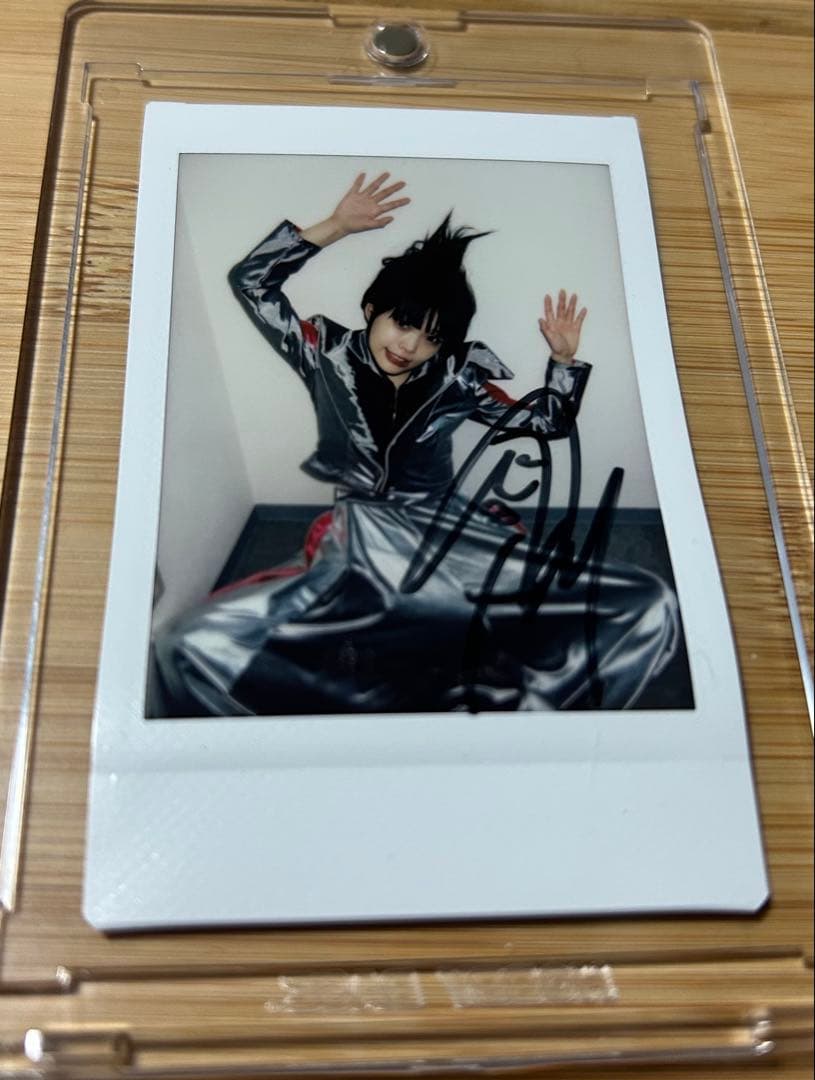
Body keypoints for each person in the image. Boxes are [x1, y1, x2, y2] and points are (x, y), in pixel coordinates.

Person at [154, 173, 680, 716]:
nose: (410, 345)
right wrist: (335, 226)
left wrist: (563, 363)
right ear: (371, 310)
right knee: (188, 646)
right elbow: (251, 282)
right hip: (359, 535)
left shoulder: (459, 378)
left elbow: (546, 425)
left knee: (644, 602)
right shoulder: (323, 352)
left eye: (431, 337)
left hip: (443, 530)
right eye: (403, 323)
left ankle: (526, 717)